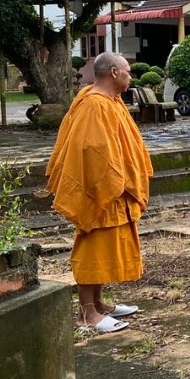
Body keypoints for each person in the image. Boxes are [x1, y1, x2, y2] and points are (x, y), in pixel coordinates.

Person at [46, 51, 153, 333]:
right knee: (93, 245)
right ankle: (87, 313)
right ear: (114, 73)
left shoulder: (111, 102)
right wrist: (110, 181)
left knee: (105, 245)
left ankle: (99, 303)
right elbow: (91, 151)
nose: (131, 76)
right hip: (101, 189)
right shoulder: (94, 105)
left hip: (115, 188)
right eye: (128, 71)